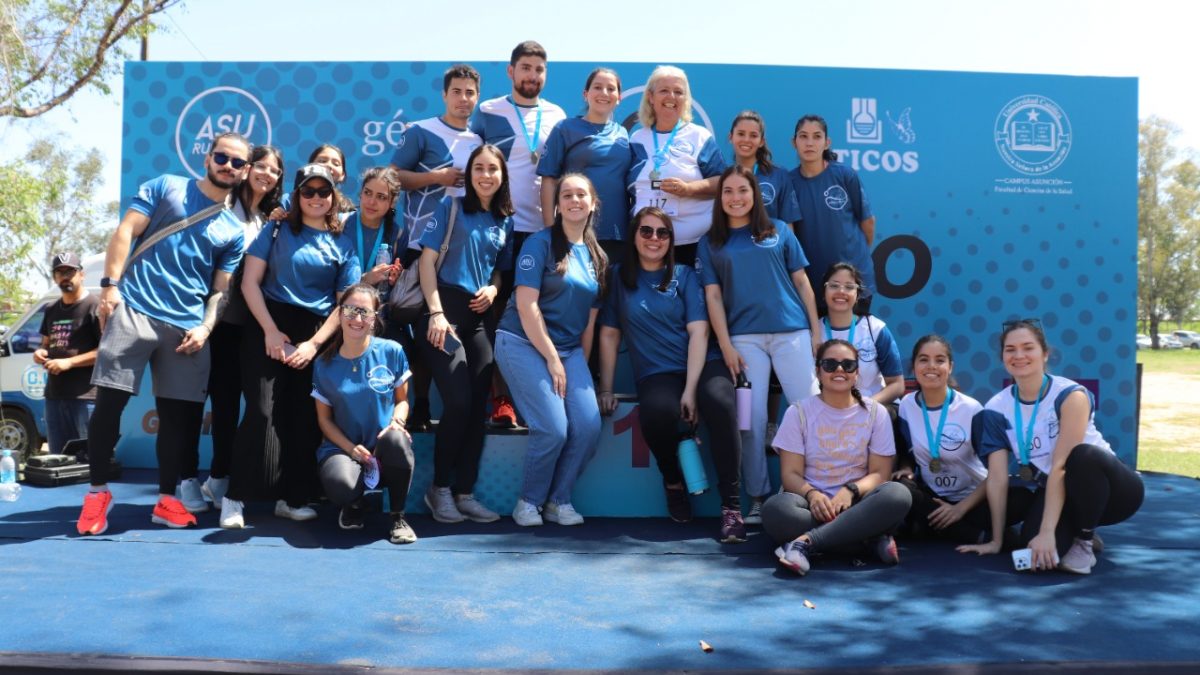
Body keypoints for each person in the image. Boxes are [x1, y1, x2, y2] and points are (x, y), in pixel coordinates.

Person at [75, 132, 250, 535]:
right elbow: (125, 231)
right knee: (109, 408)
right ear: (208, 158)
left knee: (179, 422)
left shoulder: (233, 230)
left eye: (238, 163)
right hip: (134, 309)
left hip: (186, 328)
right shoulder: (166, 186)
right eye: (223, 157)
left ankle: (167, 500)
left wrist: (206, 328)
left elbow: (220, 291)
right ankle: (97, 494)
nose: (229, 166)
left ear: (243, 173)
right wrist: (109, 285)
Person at [222, 163, 361, 529]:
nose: (316, 198)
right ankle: (234, 499)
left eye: (323, 192)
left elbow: (344, 303)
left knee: (304, 419)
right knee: (261, 412)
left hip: (316, 333)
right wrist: (269, 330)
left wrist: (314, 345)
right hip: (268, 325)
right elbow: (249, 283)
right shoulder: (276, 228)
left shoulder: (343, 243)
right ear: (296, 196)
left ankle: (292, 497)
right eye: (308, 191)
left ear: (333, 198)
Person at [596, 207, 745, 542]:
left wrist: (691, 391)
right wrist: (605, 387)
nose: (654, 239)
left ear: (671, 240)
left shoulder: (684, 275)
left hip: (703, 362)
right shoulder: (619, 278)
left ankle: (731, 508)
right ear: (634, 236)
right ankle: (673, 481)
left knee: (720, 403)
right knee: (657, 412)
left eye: (662, 233)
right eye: (646, 231)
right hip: (657, 371)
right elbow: (608, 334)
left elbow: (698, 333)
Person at [959, 319, 1145, 574]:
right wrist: (997, 541)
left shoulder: (1070, 395)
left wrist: (1047, 532)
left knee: (1082, 456)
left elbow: (1060, 466)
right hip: (1063, 493)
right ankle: (1076, 528)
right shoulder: (995, 408)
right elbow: (998, 478)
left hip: (1114, 493)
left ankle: (1084, 540)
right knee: (1031, 555)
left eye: (1028, 347)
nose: (1019, 355)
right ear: (1003, 357)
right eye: (1010, 349)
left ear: (1045, 354)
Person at [697, 164, 822, 525]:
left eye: (743, 191)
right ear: (720, 199)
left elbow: (802, 284)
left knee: (808, 411)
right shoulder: (711, 243)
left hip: (792, 333)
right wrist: (726, 345)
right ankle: (757, 498)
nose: (736, 198)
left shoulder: (779, 230)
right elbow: (714, 299)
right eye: (728, 192)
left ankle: (811, 491)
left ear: (756, 195)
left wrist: (816, 333)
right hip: (744, 341)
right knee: (750, 421)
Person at [495, 173, 606, 527]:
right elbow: (527, 307)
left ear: (593, 203)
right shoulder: (539, 244)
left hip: (569, 352)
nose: (575, 200)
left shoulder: (597, 255)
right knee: (554, 428)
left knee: (587, 426)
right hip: (522, 342)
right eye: (568, 195)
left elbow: (589, 321)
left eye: (582, 194)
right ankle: (529, 501)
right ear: (557, 205)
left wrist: (579, 370)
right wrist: (554, 360)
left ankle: (559, 501)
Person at [417, 145, 514, 524]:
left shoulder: (504, 219)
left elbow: (498, 270)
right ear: (469, 173)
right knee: (457, 402)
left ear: (503, 175)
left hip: (478, 318)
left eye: (493, 169)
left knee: (476, 406)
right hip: (443, 311)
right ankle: (438, 489)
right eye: (479, 168)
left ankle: (465, 491)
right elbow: (426, 261)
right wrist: (437, 314)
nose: (486, 175)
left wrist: (493, 288)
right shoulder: (450, 206)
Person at [471, 41, 566, 429]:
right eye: (525, 68)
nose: (532, 76)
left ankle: (546, 395)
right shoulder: (488, 111)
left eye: (538, 70)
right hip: (501, 230)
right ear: (511, 72)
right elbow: (472, 168)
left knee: (545, 317)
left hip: (544, 232)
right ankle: (502, 400)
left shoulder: (557, 115)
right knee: (498, 319)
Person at [763, 339, 912, 575]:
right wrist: (813, 496)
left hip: (859, 503)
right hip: (812, 506)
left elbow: (880, 473)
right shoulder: (798, 412)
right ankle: (866, 538)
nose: (839, 370)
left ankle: (806, 543)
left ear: (857, 373)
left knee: (898, 495)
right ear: (818, 372)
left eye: (848, 365)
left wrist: (850, 490)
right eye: (830, 364)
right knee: (776, 510)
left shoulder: (876, 413)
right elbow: (790, 474)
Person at [390, 64, 483, 429]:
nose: (464, 98)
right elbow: (393, 176)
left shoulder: (479, 142)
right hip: (417, 248)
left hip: (458, 255)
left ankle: (437, 405)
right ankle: (420, 404)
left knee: (441, 336)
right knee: (417, 334)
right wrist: (436, 178)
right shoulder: (420, 130)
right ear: (444, 95)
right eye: (457, 91)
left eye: (470, 93)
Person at [199, 144, 285, 510]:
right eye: (261, 166)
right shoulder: (222, 207)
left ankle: (232, 476)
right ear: (248, 168)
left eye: (274, 170)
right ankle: (215, 477)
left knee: (255, 407)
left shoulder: (268, 219)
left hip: (253, 325)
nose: (266, 174)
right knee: (222, 402)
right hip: (218, 323)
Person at [893, 335, 1027, 543]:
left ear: (950, 366)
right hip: (934, 498)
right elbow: (907, 452)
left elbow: (995, 473)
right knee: (901, 489)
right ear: (914, 365)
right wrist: (907, 469)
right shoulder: (906, 406)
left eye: (939, 360)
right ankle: (976, 536)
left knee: (1022, 498)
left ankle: (947, 529)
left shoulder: (972, 410)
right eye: (923, 359)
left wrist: (959, 509)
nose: (931, 366)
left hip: (976, 499)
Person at [313, 283, 417, 544]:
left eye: (365, 312)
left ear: (374, 319)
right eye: (350, 310)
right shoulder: (324, 364)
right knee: (341, 485)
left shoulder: (391, 351)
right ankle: (355, 504)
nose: (356, 318)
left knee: (396, 441)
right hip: (343, 448)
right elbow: (324, 420)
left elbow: (402, 401)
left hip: (382, 444)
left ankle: (397, 516)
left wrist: (397, 422)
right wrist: (351, 449)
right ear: (339, 314)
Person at [627, 65, 725, 265]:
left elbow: (723, 183)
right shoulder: (636, 138)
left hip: (694, 245)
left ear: (685, 100)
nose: (671, 96)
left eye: (679, 92)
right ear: (650, 97)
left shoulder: (699, 136)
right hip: (647, 244)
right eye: (664, 90)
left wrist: (689, 189)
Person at [539, 67, 632, 263]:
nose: (604, 93)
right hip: (575, 232)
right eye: (597, 87)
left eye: (611, 88)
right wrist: (550, 230)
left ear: (619, 97)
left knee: (612, 292)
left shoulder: (623, 133)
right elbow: (548, 179)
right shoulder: (565, 128)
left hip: (617, 234)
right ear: (585, 94)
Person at [789, 114, 877, 311]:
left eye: (817, 136)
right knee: (821, 342)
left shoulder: (844, 175)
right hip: (812, 287)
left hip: (854, 283)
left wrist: (856, 256)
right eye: (803, 136)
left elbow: (868, 222)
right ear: (794, 142)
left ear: (827, 142)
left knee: (854, 341)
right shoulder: (789, 183)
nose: (809, 143)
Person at [33, 252, 100, 457]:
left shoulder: (95, 306)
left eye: (70, 271)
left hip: (85, 397)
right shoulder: (51, 308)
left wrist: (69, 362)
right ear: (54, 277)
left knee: (88, 461)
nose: (65, 276)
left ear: (81, 274)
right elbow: (46, 344)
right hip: (54, 396)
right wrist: (40, 352)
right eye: (60, 272)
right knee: (58, 459)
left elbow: (106, 352)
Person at [819, 263, 904, 404]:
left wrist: (865, 407)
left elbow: (897, 384)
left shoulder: (875, 329)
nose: (841, 291)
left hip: (871, 410)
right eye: (834, 285)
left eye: (849, 287)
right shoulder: (812, 332)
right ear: (824, 292)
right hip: (829, 414)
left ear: (857, 294)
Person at [728, 110, 801, 228]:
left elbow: (788, 227)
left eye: (753, 135)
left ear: (761, 141)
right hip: (735, 246)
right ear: (731, 137)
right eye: (741, 134)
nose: (746, 139)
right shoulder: (725, 178)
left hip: (770, 245)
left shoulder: (779, 175)